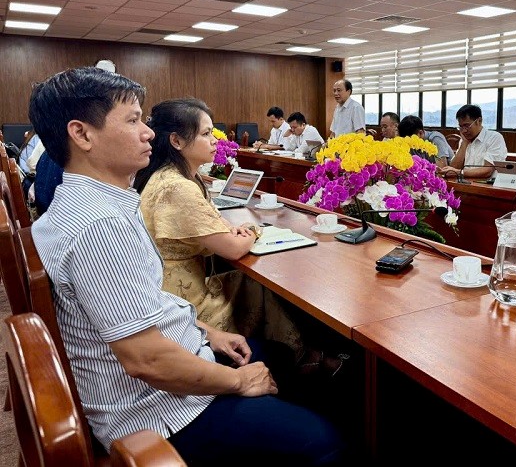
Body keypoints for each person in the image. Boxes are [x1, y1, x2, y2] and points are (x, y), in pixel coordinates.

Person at [29, 67, 343, 465]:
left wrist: (208, 333)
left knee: (278, 357)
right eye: (133, 120)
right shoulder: (100, 226)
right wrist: (237, 381)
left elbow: (145, 303)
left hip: (172, 364)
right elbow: (146, 359)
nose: (148, 132)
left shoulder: (89, 203)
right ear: (82, 134)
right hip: (160, 412)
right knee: (325, 441)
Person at [133, 98, 259, 334]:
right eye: (206, 134)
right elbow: (233, 249)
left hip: (180, 286)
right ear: (176, 141)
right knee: (262, 292)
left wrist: (229, 228)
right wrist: (252, 230)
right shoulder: (177, 186)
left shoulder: (181, 175)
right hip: (182, 302)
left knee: (254, 287)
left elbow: (213, 217)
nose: (214, 140)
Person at [437, 104, 507, 179]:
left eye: (467, 126)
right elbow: (453, 168)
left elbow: (487, 171)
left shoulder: (494, 138)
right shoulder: (464, 140)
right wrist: (464, 144)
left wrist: (459, 172)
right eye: (461, 127)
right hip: (466, 183)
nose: (464, 131)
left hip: (487, 184)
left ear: (479, 121)